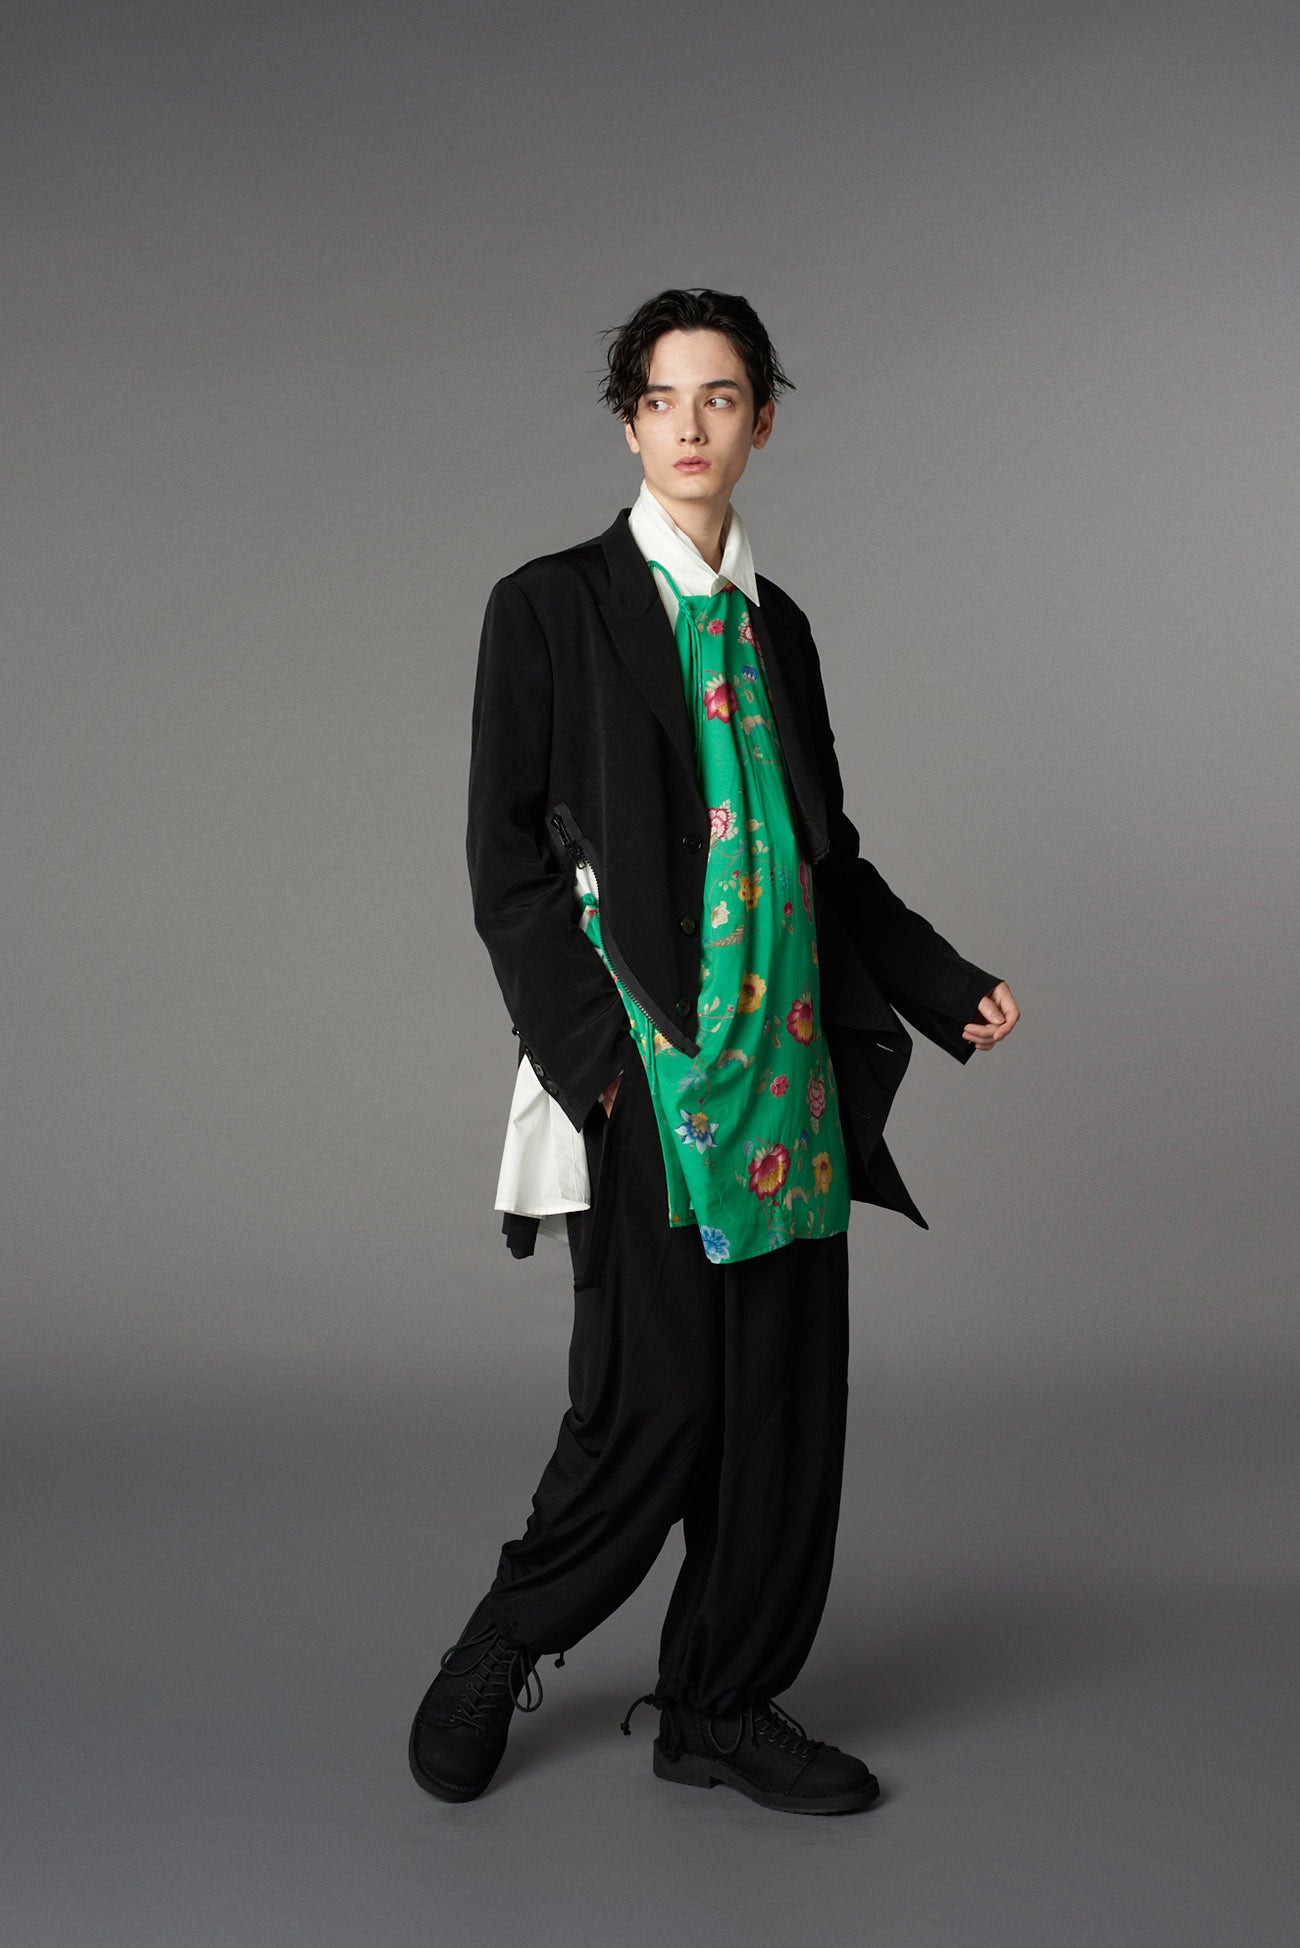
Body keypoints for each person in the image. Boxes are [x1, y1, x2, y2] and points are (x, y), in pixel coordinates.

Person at [408, 288, 1020, 1817]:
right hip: (654, 1079)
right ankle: (504, 1639)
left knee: (781, 1411)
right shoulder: (551, 606)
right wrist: (599, 1064)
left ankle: (722, 1706)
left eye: (722, 397)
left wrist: (941, 984)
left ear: (762, 422)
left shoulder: (778, 627)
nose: (691, 426)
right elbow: (505, 865)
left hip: (792, 1078)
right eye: (664, 399)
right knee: (651, 1405)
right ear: (630, 423)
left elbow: (825, 857)